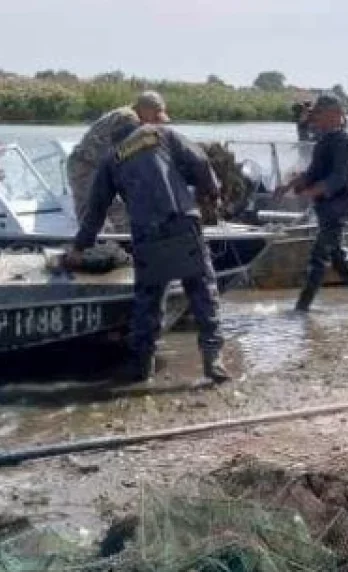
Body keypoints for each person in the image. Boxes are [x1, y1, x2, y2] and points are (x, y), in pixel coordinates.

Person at [65, 120, 230, 384]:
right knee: (202, 292)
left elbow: (95, 211)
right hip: (183, 222)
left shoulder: (111, 158)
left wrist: (79, 247)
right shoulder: (161, 133)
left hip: (146, 232)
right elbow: (200, 161)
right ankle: (213, 360)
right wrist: (211, 194)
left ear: (114, 138)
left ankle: (143, 366)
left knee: (149, 299)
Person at [276, 94, 348, 312]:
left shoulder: (347, 140)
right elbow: (313, 171)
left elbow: (340, 177)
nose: (315, 119)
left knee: (318, 258)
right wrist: (289, 185)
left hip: (338, 207)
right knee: (340, 260)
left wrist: (312, 191)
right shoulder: (325, 139)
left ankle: (301, 309)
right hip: (325, 207)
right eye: (314, 115)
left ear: (336, 114)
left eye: (319, 114)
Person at [66, 91, 171, 231]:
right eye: (155, 116)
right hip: (85, 167)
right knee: (91, 210)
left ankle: (124, 243)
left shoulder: (130, 117)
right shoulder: (128, 118)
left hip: (100, 168)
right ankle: (91, 248)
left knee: (118, 210)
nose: (155, 123)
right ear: (145, 109)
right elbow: (132, 153)